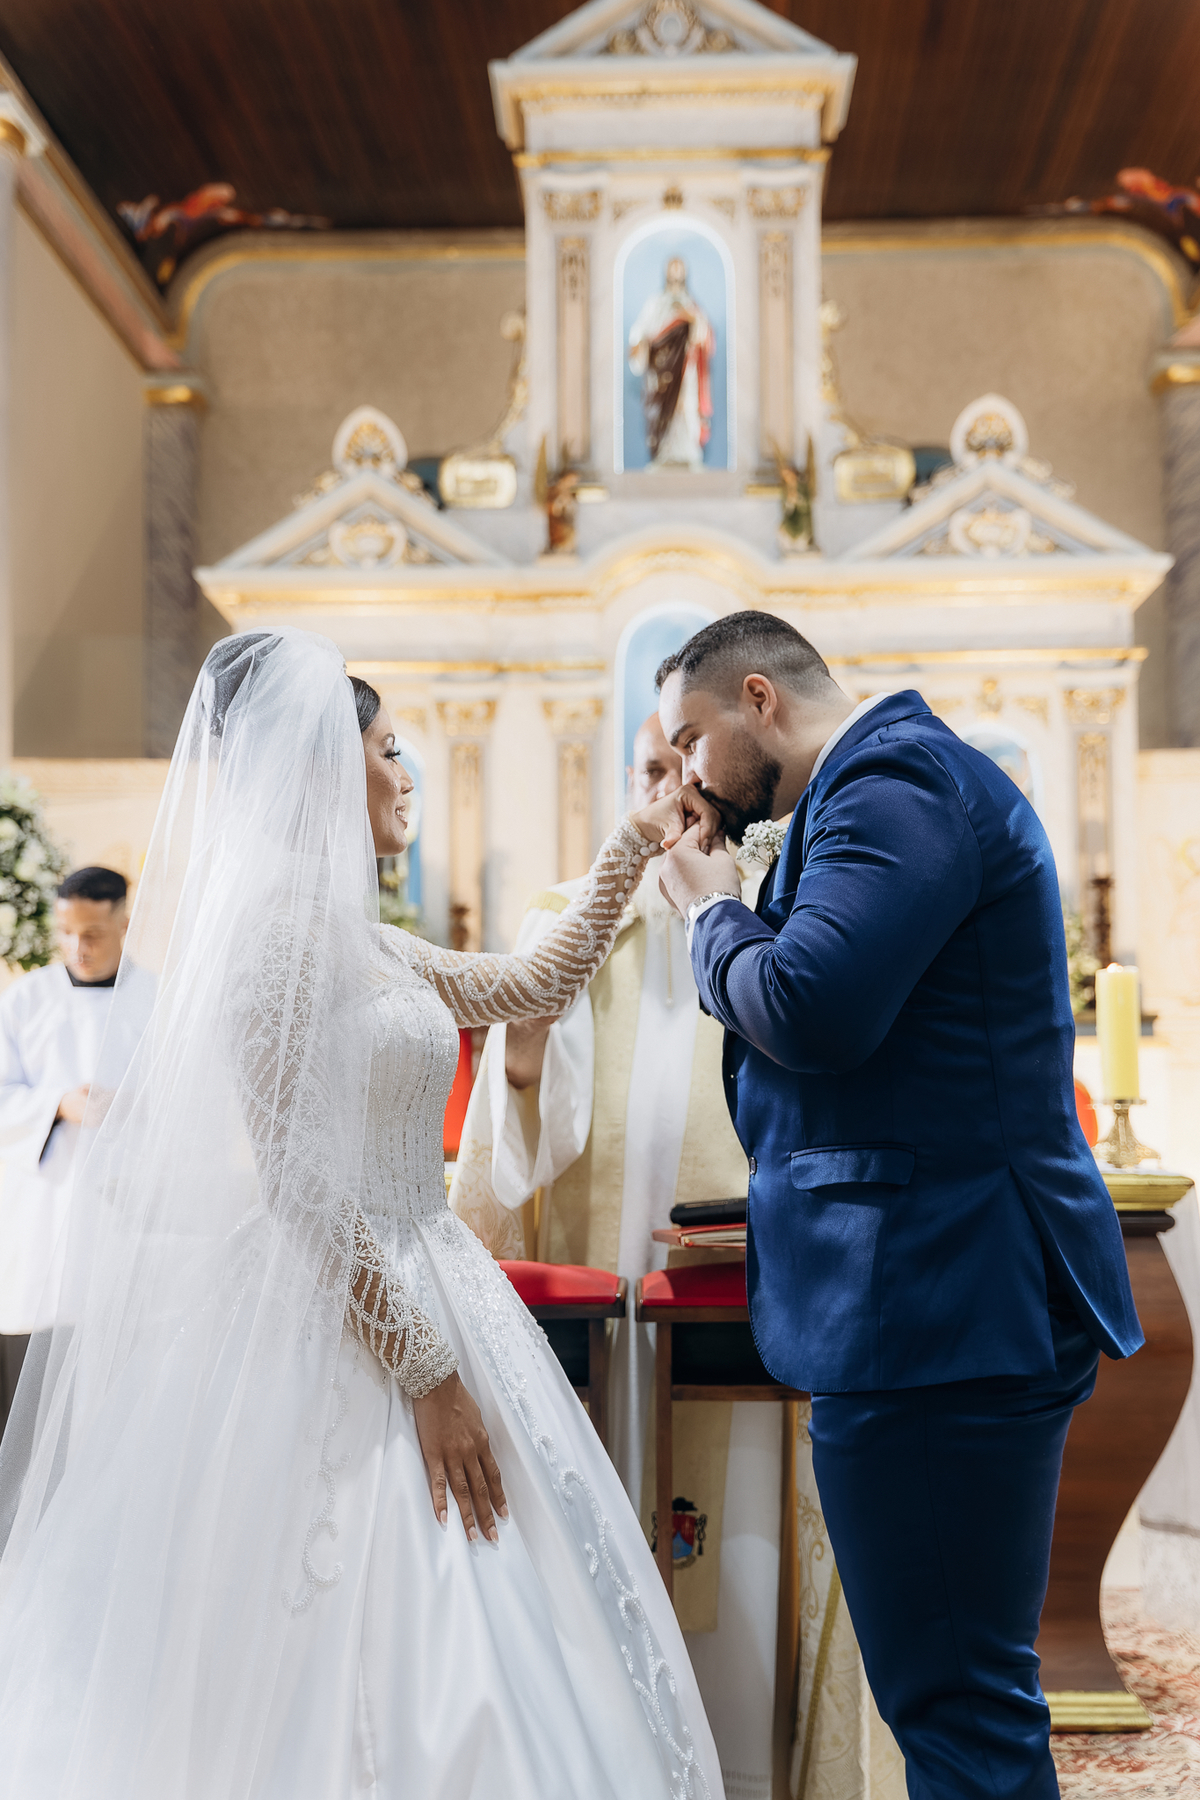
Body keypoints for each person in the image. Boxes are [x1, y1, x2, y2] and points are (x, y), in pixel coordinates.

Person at [0, 628, 724, 1800]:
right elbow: (298, 1185)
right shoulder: (274, 944)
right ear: (324, 769)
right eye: (390, 750)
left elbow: (528, 985)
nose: (408, 775)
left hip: (428, 1267)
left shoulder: (363, 938)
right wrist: (428, 1375)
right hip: (354, 1309)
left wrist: (634, 845)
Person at [654, 610, 1142, 1800]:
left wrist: (711, 911)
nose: (688, 778)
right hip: (933, 1299)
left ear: (757, 699)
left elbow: (814, 1006)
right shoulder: (866, 793)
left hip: (940, 1302)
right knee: (956, 1696)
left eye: (689, 742)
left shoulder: (895, 781)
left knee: (959, 1709)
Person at [451, 712, 902, 1800]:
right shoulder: (566, 917)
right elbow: (518, 1135)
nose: (671, 802)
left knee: (741, 1532)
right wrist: (525, 1044)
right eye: (651, 775)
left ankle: (741, 1764)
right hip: (608, 1289)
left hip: (735, 1289)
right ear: (626, 784)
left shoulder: (777, 916)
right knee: (612, 1506)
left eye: (688, 777)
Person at [0, 867, 132, 1436]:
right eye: (67, 933)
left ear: (125, 921)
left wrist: (132, 1109)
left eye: (94, 934)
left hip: (124, 1217)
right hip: (42, 1217)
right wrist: (57, 1103)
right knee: (29, 1410)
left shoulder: (158, 1000)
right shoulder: (25, 999)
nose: (78, 947)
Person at [629, 256, 715, 469]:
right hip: (662, 376)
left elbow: (704, 338)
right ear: (666, 272)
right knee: (664, 413)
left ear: (685, 273)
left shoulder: (691, 304)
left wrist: (691, 320)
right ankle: (664, 452)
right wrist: (641, 347)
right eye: (672, 268)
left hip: (685, 372)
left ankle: (687, 452)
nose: (676, 273)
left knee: (685, 408)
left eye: (679, 269)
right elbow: (641, 335)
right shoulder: (655, 304)